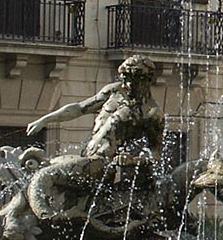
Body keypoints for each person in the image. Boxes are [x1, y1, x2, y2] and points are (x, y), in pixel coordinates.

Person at [26, 54, 164, 161]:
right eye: (123, 78)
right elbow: (79, 108)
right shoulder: (115, 91)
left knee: (47, 176)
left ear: (145, 79)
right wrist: (44, 120)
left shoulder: (152, 113)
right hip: (88, 154)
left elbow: (155, 152)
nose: (126, 83)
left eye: (130, 79)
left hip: (107, 165)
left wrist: (133, 160)